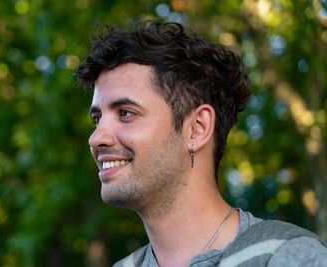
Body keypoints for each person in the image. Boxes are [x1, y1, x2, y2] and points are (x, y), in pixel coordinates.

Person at [74, 20, 327, 267]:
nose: (96, 138)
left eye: (126, 113)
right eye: (97, 118)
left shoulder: (289, 256)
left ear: (197, 129)